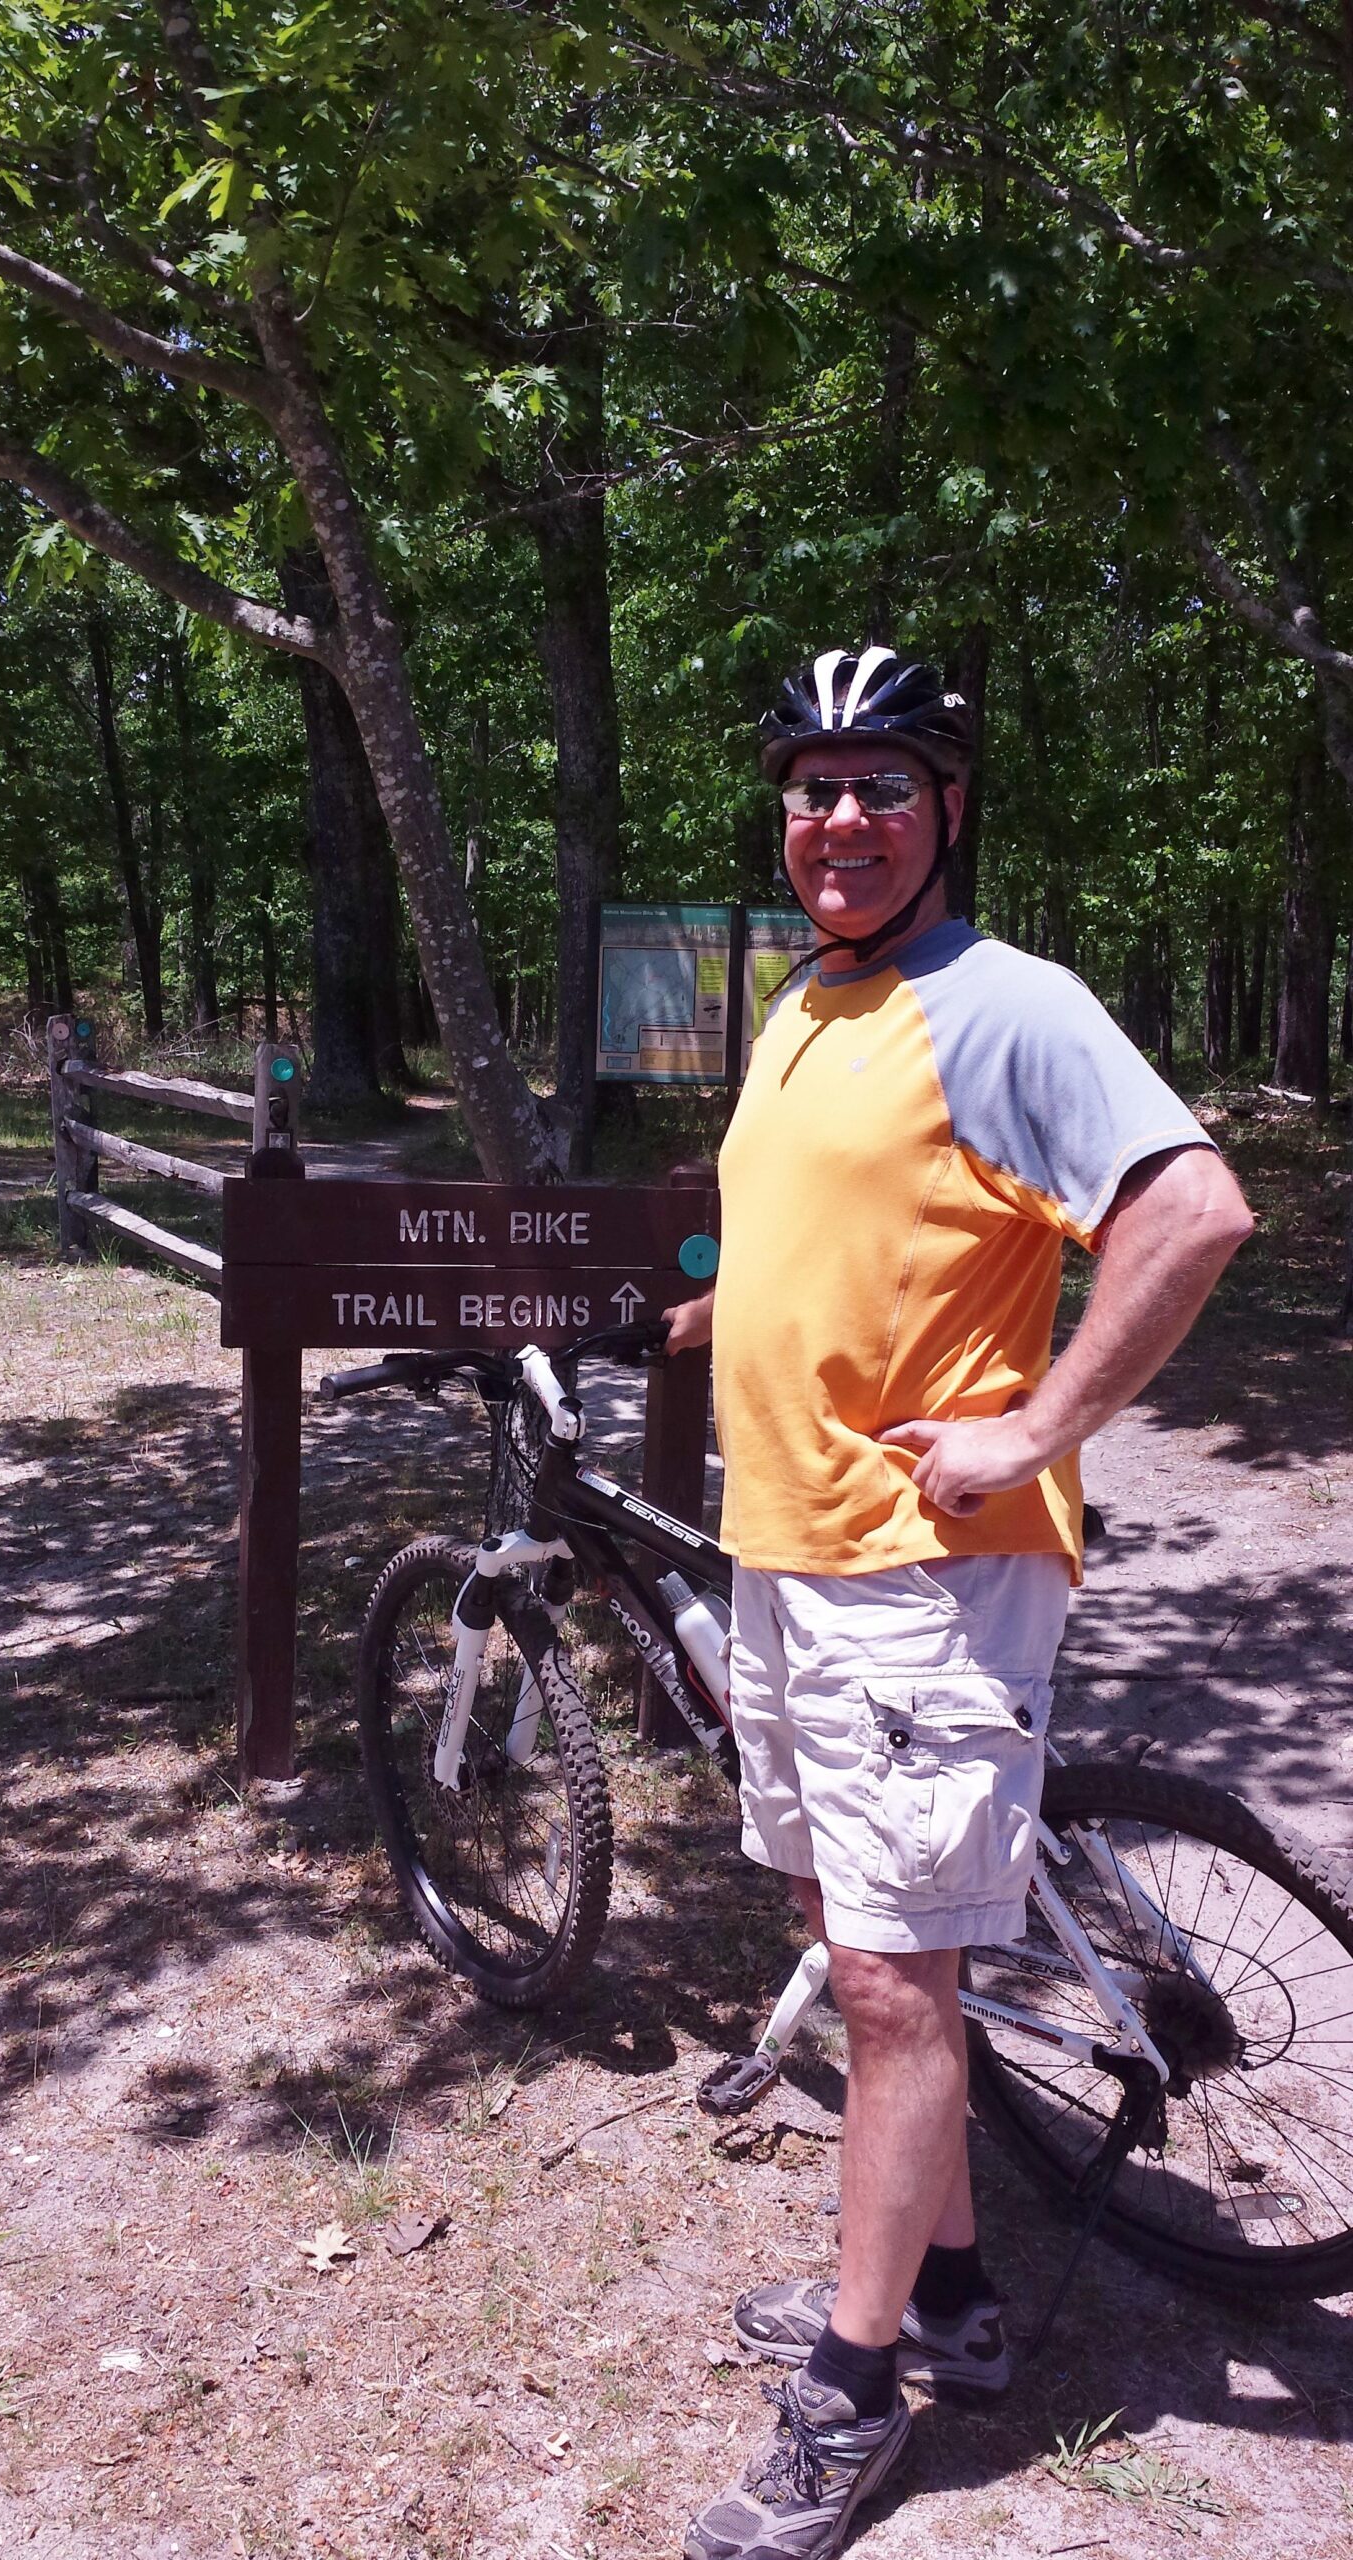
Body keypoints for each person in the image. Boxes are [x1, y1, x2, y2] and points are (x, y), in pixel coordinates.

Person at [664, 645, 1254, 2560]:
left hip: (918, 1577)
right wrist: (712, 1317)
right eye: (814, 787)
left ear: (948, 811)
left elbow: (1193, 1208)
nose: (841, 820)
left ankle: (852, 2395)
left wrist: (1043, 1421)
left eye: (883, 787)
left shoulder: (1007, 1003)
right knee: (861, 1940)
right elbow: (846, 1236)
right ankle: (953, 2302)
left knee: (897, 1988)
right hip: (791, 1546)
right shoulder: (817, 995)